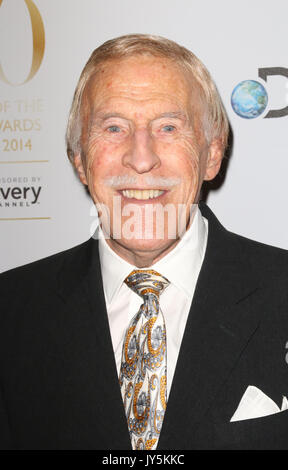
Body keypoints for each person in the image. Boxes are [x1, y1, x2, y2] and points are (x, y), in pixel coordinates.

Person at [0, 34, 288, 450]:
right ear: (79, 158)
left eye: (168, 127)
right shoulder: (10, 311)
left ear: (212, 152)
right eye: (113, 127)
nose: (141, 158)